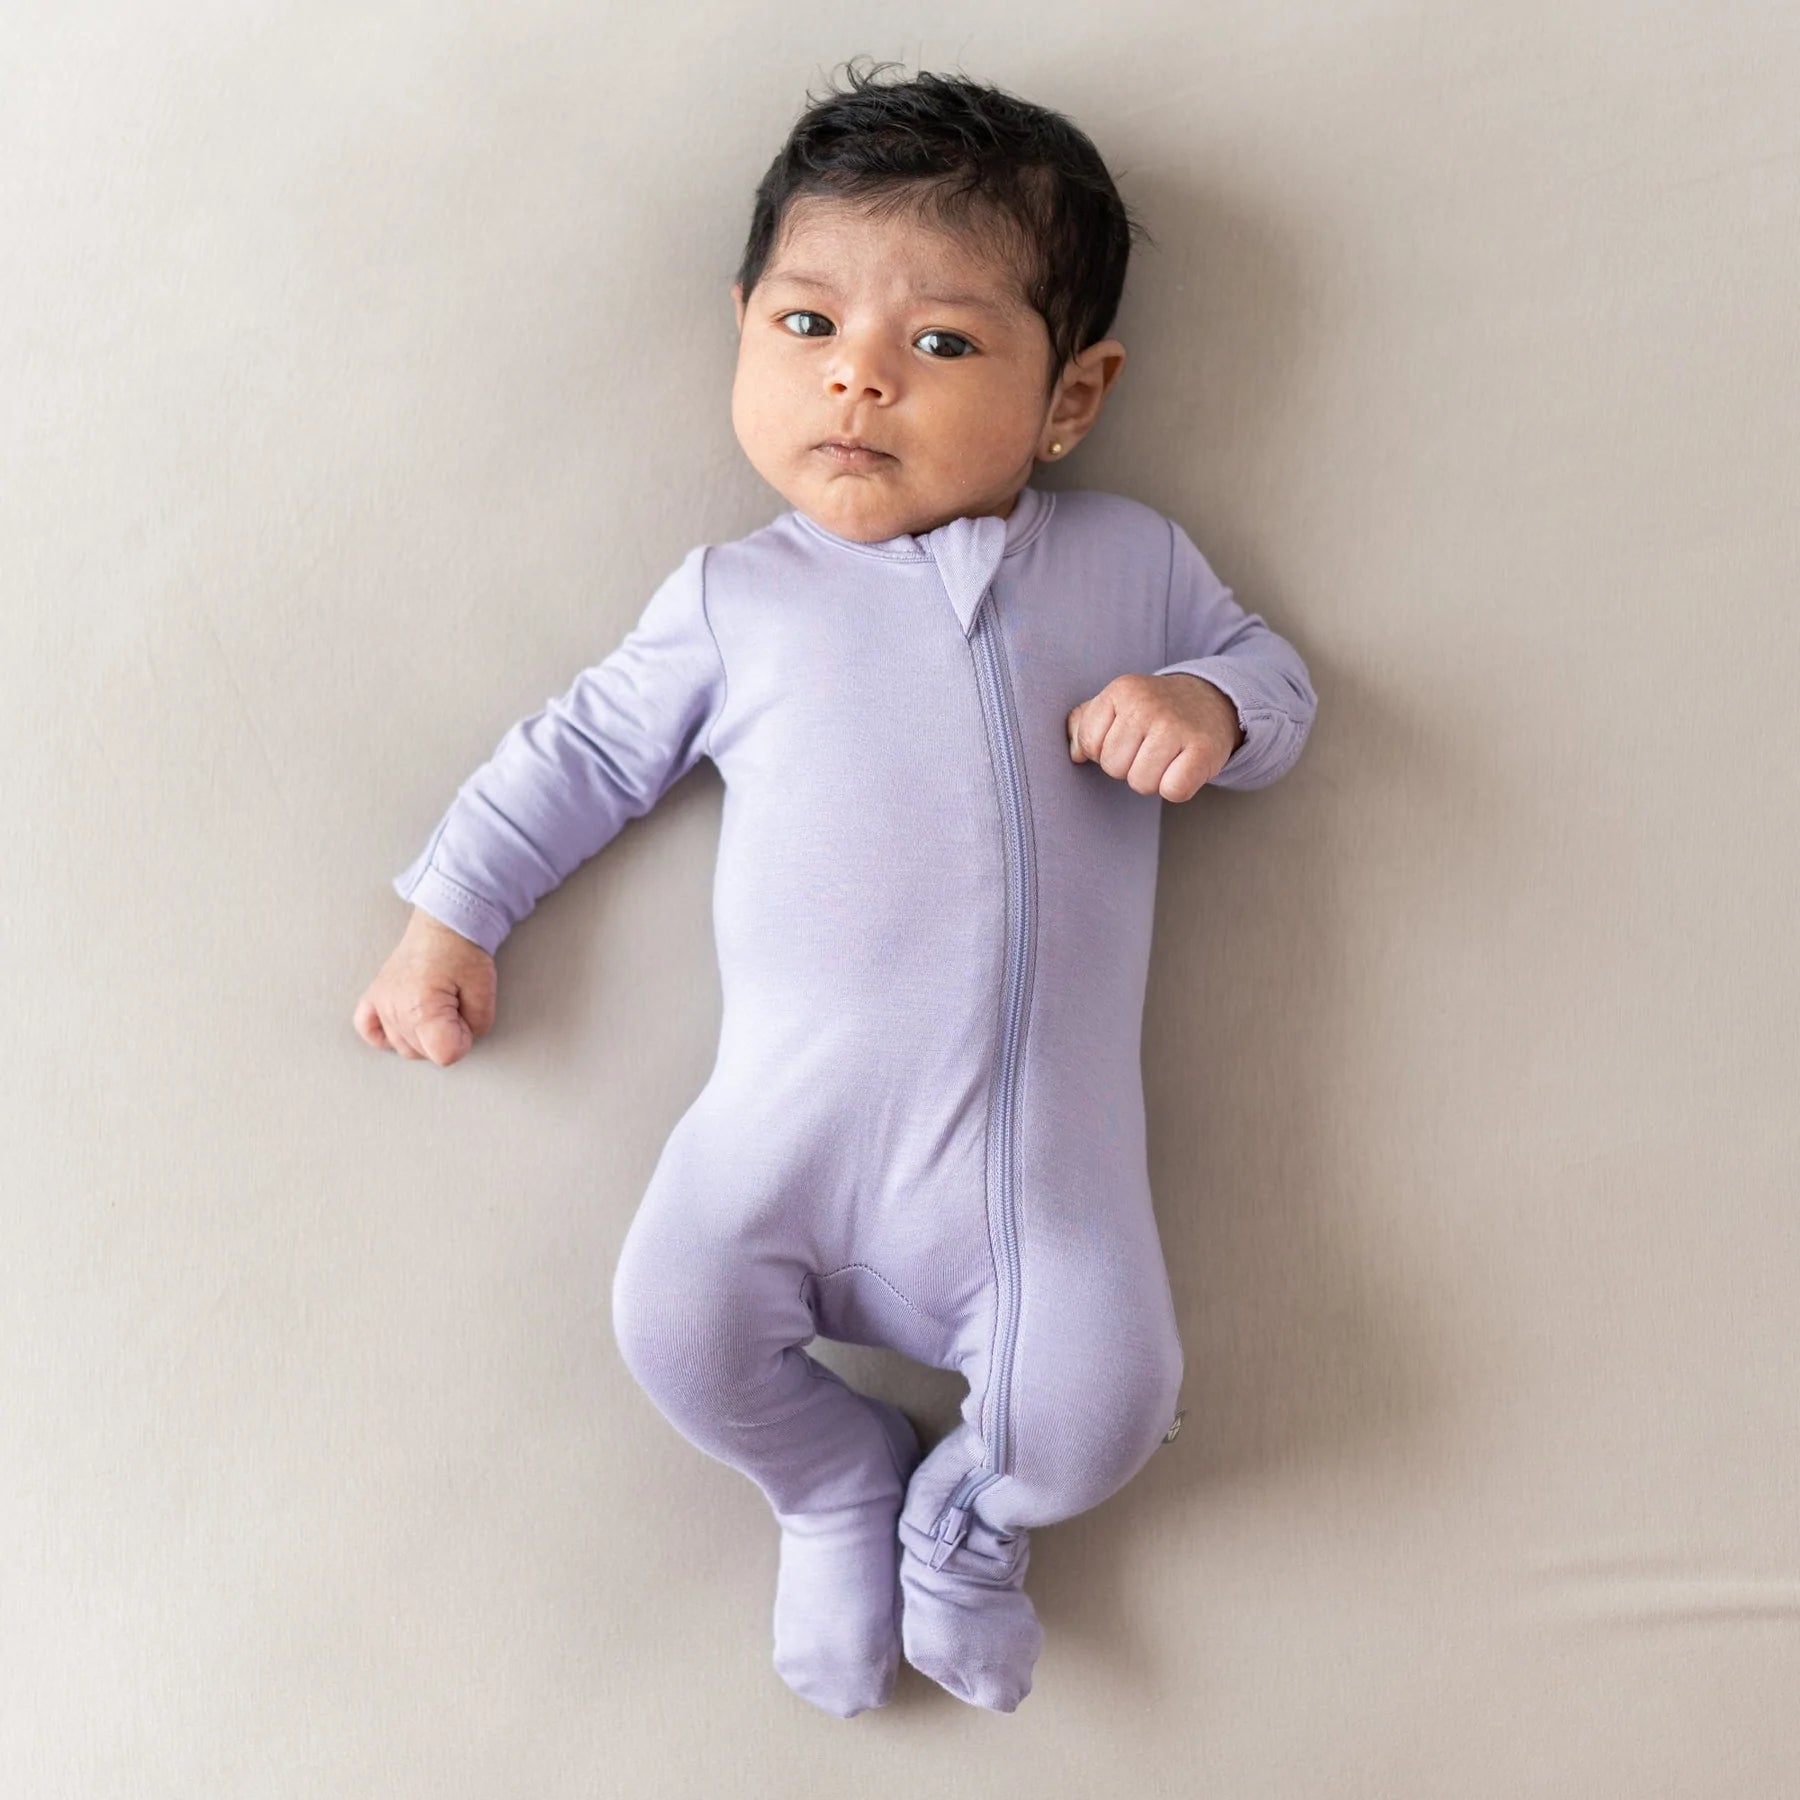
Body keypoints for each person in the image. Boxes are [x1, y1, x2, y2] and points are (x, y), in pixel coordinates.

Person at [353, 57, 1318, 1717]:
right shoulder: (738, 599)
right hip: (780, 1141)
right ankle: (827, 1481)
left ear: (1072, 397)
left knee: (1102, 1409)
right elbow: (581, 754)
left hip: (1033, 1183)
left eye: (941, 345)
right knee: (673, 1325)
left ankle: (966, 1522)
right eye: (808, 326)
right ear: (744, 329)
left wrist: (1210, 708)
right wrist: (453, 915)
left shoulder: (1133, 564)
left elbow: (1279, 681)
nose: (858, 377)